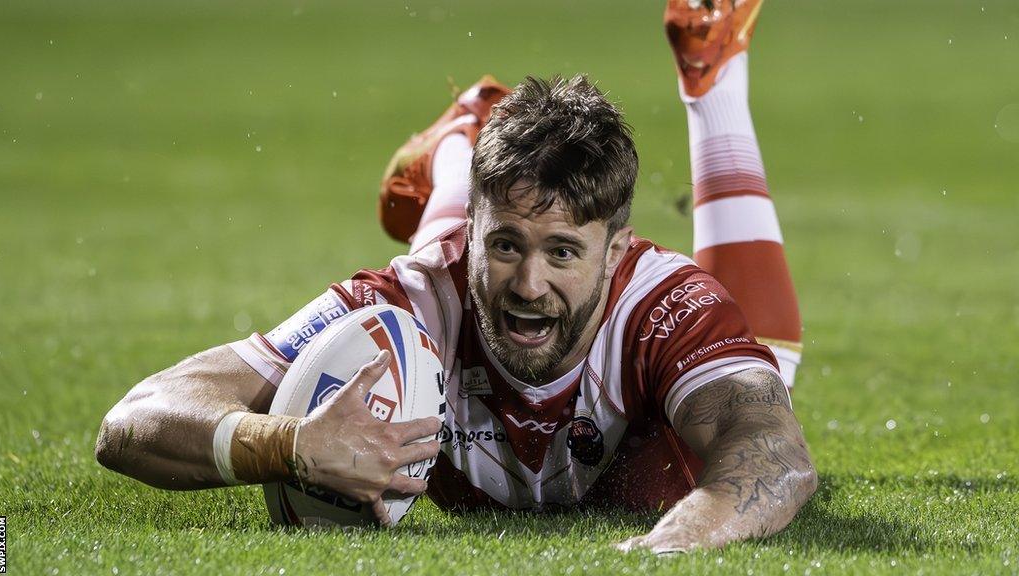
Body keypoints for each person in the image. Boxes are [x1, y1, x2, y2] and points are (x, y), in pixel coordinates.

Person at [97, 0, 816, 552]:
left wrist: (675, 543)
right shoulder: (407, 302)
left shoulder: (663, 307)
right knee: (446, 264)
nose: (530, 283)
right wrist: (288, 443)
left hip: (576, 269)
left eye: (564, 253)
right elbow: (132, 421)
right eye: (505, 244)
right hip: (447, 254)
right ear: (476, 230)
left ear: (618, 250)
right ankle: (456, 157)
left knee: (771, 368)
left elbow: (775, 453)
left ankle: (711, 90)